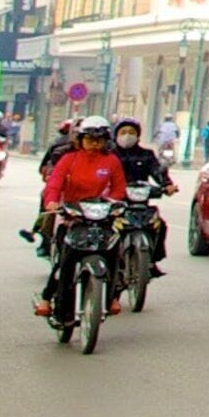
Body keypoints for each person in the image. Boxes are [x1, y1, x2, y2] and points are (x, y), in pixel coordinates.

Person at [34, 122, 129, 319]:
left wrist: (112, 203)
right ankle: (48, 298)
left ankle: (111, 296)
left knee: (113, 252)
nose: (94, 144)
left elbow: (119, 188)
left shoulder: (112, 161)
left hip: (100, 215)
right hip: (72, 215)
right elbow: (54, 184)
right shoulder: (69, 159)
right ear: (80, 140)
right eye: (89, 139)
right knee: (65, 261)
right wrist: (52, 202)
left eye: (99, 140)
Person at [110, 118, 173, 276]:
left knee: (159, 225)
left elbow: (157, 171)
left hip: (140, 203)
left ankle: (150, 261)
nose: (127, 136)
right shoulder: (109, 155)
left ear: (138, 136)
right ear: (115, 135)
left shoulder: (146, 155)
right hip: (114, 203)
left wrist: (167, 185)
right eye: (123, 132)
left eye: (132, 132)